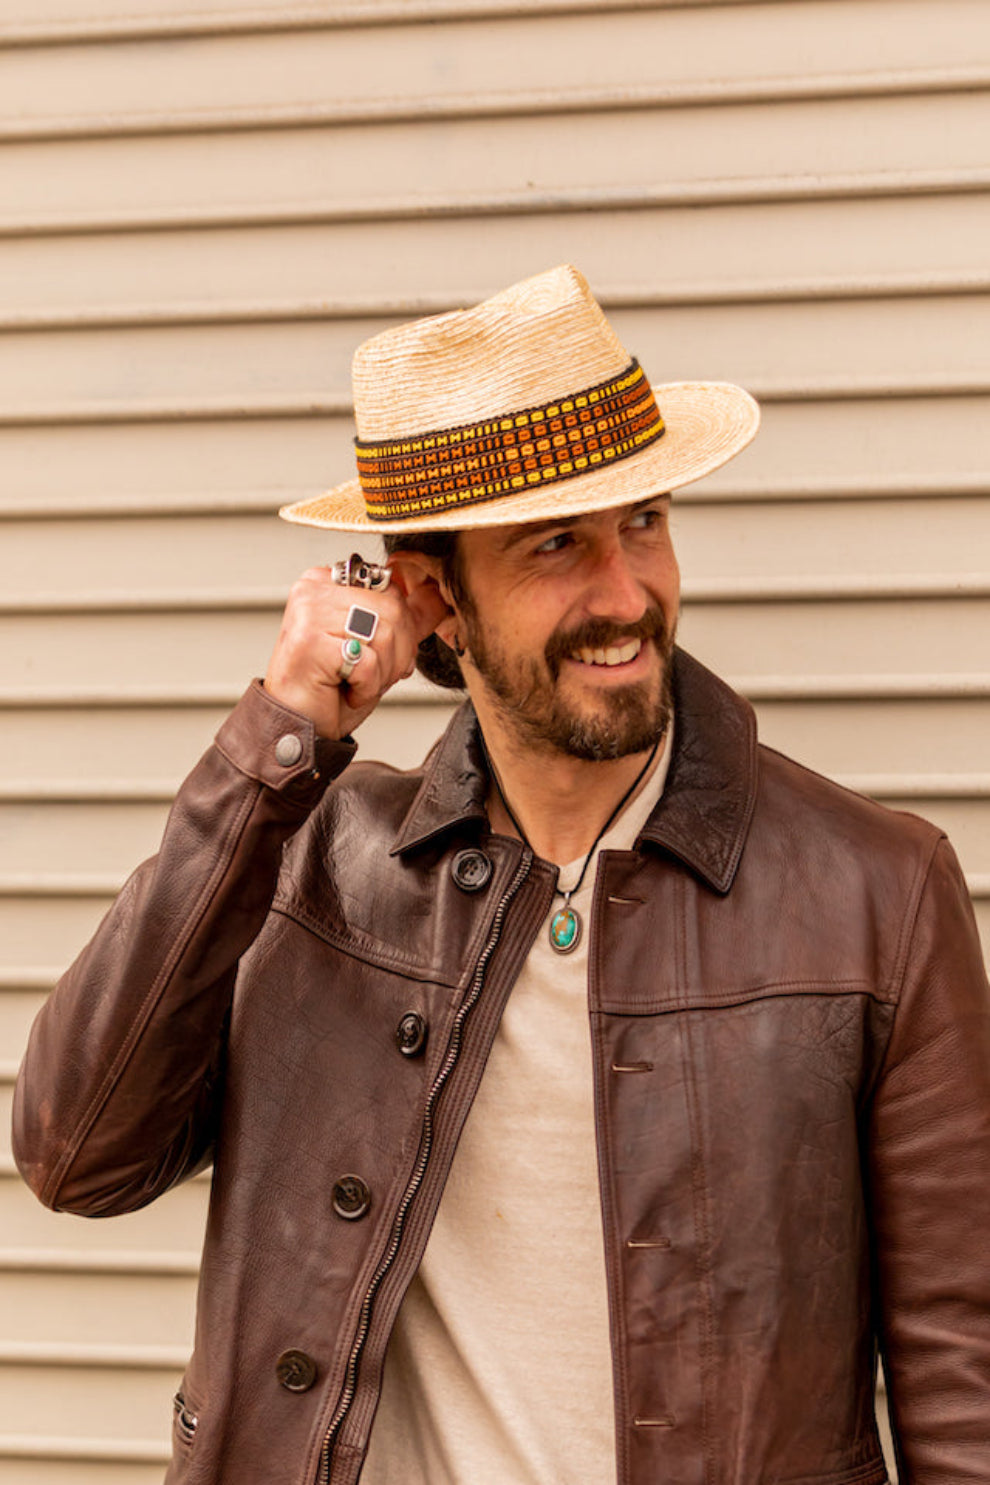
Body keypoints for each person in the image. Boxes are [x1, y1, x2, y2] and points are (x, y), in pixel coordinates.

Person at [12, 265, 990, 1485]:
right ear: (435, 598)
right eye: (557, 545)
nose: (627, 593)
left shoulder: (876, 894)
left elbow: (966, 1378)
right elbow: (77, 1153)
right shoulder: (313, 862)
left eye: (645, 521)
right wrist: (275, 748)